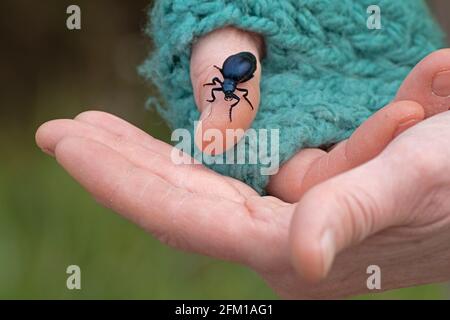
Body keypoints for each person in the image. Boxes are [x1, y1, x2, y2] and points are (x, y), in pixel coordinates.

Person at [35, 6, 450, 297]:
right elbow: (225, 88)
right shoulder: (227, 85)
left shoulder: (227, 87)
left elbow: (226, 90)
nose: (225, 93)